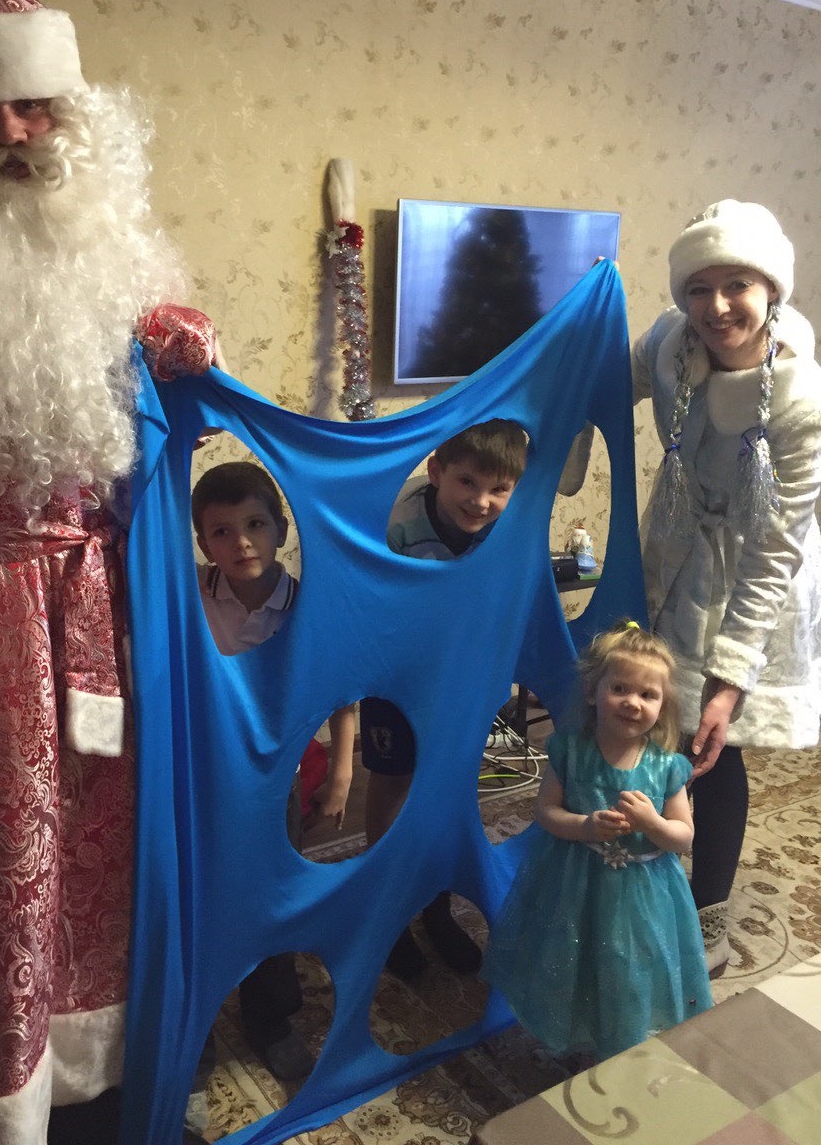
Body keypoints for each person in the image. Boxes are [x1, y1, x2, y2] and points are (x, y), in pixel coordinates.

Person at [0, 0, 220, 1145]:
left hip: (109, 612)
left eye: (36, 105)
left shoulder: (93, 246)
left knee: (112, 867)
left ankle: (107, 1084)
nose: (17, 134)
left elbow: (121, 374)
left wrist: (169, 341)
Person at [635, 201, 821, 975]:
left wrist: (732, 675)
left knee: (717, 745)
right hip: (676, 549)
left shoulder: (800, 398)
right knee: (655, 725)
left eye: (737, 284)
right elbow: (592, 384)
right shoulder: (668, 346)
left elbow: (777, 549)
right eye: (699, 288)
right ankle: (640, 880)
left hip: (754, 579)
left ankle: (707, 912)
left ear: (771, 287)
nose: (716, 307)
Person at [191, 461, 356, 1082]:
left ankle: (270, 1016)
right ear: (204, 542)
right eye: (222, 531)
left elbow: (341, 690)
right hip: (205, 766)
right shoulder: (192, 592)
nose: (242, 543)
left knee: (274, 885)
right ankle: (196, 1025)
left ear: (282, 529)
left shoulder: (305, 603)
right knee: (200, 889)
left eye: (255, 525)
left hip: (276, 772)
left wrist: (342, 771)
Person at [481, 621, 712, 1060]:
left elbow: (683, 837)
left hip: (644, 894)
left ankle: (623, 1040)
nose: (632, 702)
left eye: (647, 695)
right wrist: (585, 826)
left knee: (630, 964)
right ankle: (576, 1035)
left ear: (662, 706)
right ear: (592, 691)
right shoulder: (570, 750)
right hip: (575, 882)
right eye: (619, 688)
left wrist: (652, 823)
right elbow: (546, 812)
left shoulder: (666, 766)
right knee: (575, 960)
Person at [365, 418, 527, 979]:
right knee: (393, 779)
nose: (480, 501)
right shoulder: (401, 521)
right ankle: (388, 909)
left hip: (461, 676)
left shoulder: (507, 527)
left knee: (450, 785)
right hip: (397, 672)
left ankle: (435, 902)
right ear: (436, 472)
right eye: (466, 482)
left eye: (498, 489)